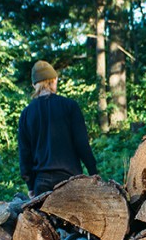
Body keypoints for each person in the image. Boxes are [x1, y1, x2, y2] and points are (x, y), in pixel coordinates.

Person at [18, 60, 99, 196]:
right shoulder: (70, 106)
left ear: (34, 85)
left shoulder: (26, 114)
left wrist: (30, 186)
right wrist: (93, 172)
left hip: (41, 183)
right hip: (71, 180)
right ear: (54, 80)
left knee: (41, 218)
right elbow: (81, 143)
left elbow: (25, 154)